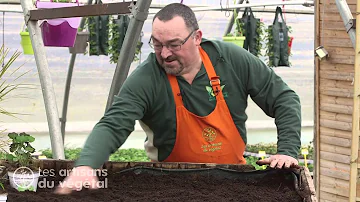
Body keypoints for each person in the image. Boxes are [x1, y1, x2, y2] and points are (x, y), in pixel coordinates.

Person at [55, 3, 301, 194]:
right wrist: (86, 165)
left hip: (234, 181)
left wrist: (287, 151)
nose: (165, 54)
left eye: (174, 44)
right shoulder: (147, 79)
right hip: (171, 185)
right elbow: (114, 123)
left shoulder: (231, 60)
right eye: (157, 44)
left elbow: (284, 98)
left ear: (196, 37)